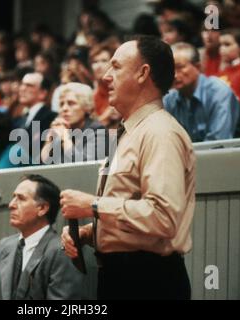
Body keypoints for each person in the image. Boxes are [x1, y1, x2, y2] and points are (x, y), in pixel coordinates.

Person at [60, 36, 195, 300]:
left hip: (148, 280)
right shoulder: (130, 132)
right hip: (121, 275)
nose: (106, 77)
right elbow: (132, 215)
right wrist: (88, 233)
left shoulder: (160, 133)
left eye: (116, 67)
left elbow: (163, 217)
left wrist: (94, 206)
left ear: (143, 73)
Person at [0, 174, 83, 300]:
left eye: (21, 199)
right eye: (13, 197)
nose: (11, 205)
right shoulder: (4, 246)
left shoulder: (61, 250)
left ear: (42, 208)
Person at [163, 42, 240, 142]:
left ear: (198, 67)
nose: (174, 75)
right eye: (170, 69)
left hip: (235, 155)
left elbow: (218, 144)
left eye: (180, 67)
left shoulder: (219, 93)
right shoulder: (169, 98)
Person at [41, 82, 108, 164]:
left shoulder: (98, 131)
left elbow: (83, 167)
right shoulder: (61, 131)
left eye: (71, 103)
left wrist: (65, 139)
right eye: (61, 104)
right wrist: (49, 139)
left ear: (86, 107)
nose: (64, 108)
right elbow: (42, 166)